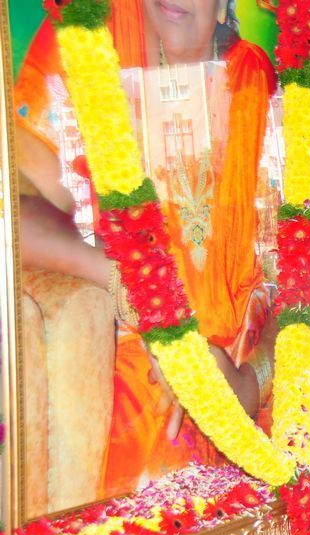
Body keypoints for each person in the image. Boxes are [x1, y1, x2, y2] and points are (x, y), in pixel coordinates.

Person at [14, 0, 278, 498]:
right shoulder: (82, 40)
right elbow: (14, 207)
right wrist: (126, 282)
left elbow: (303, 284)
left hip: (244, 410)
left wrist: (246, 382)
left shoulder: (255, 82)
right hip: (122, 390)